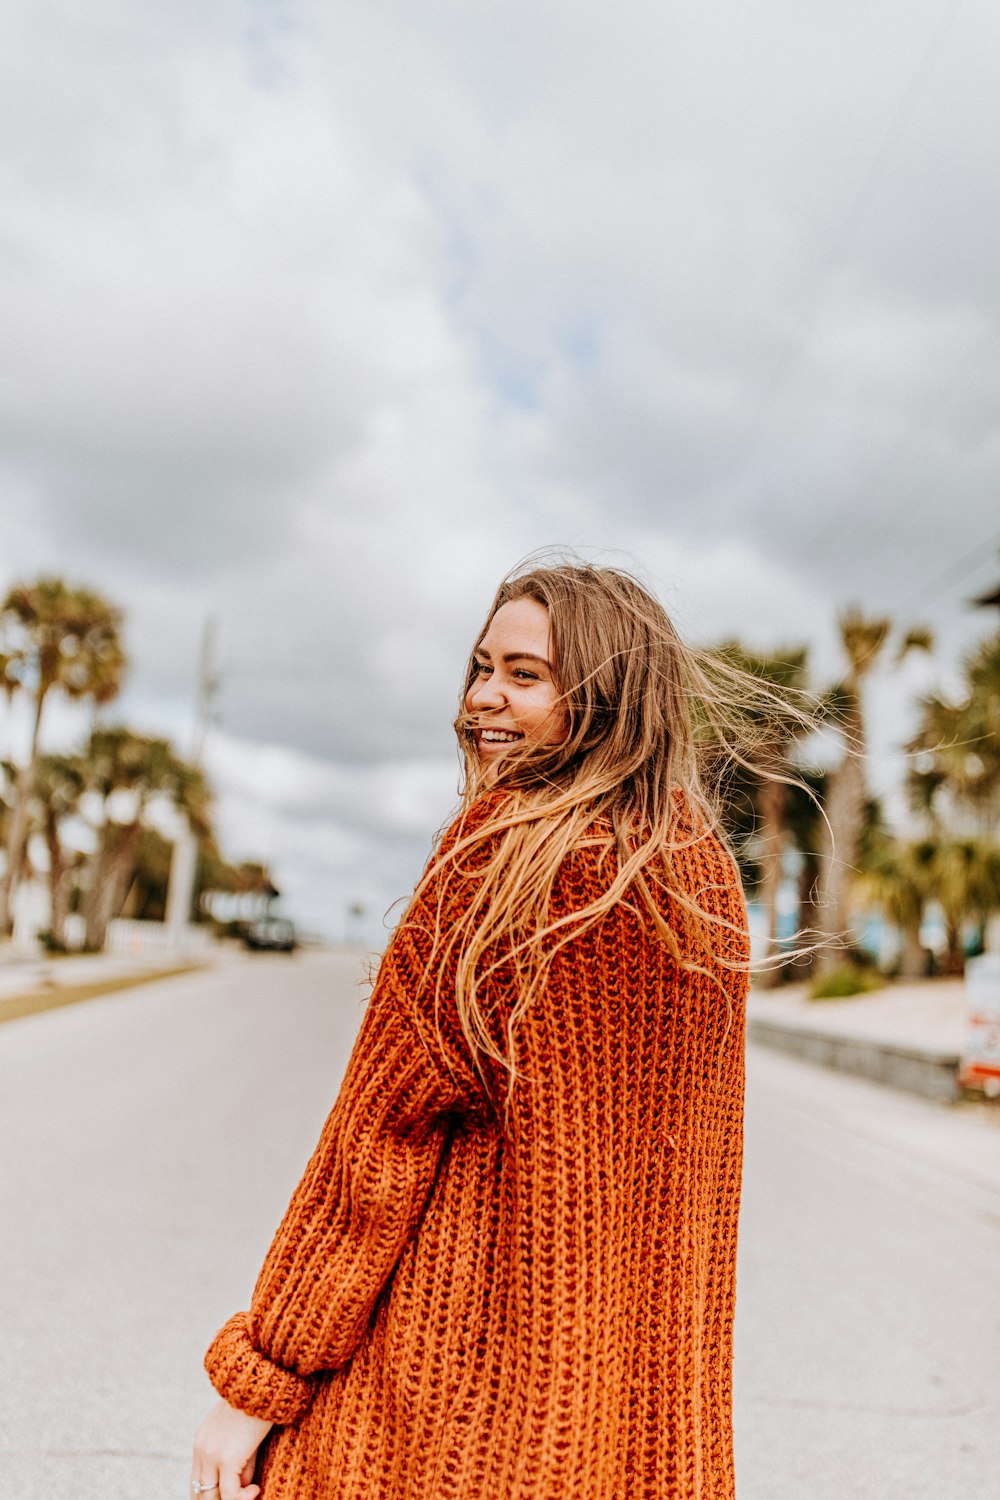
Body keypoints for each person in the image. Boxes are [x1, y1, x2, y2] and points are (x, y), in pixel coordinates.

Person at [191, 561, 774, 1500]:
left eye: (525, 674)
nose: (481, 698)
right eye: (480, 666)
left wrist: (263, 1379)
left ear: (605, 693)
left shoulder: (500, 863)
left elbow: (372, 1154)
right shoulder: (701, 880)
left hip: (455, 1418)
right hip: (628, 1431)